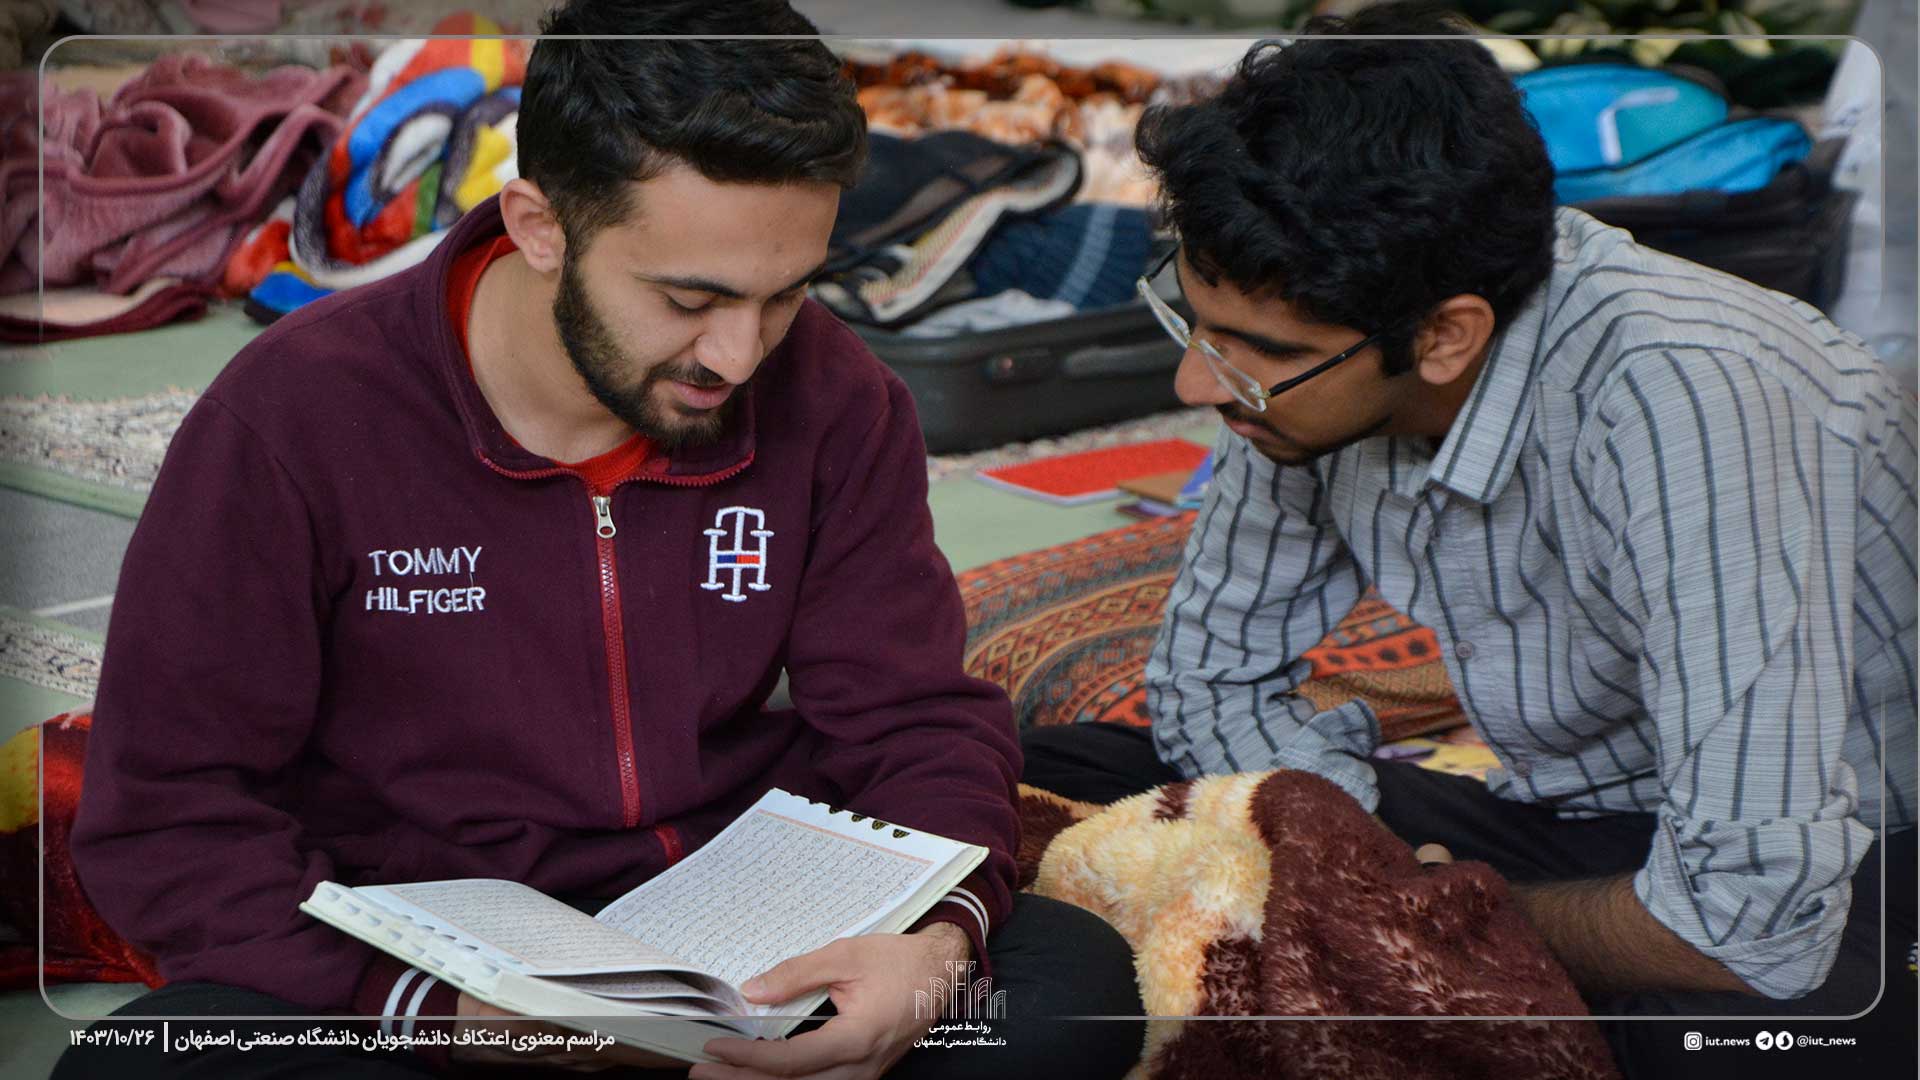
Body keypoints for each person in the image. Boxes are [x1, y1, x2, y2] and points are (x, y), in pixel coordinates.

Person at [56, 3, 1144, 1078]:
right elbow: (170, 813)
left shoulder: (837, 396)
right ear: (540, 226)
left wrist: (933, 947)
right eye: (689, 298)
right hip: (427, 955)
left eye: (785, 295)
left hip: (740, 937)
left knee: (1066, 992)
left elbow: (912, 717)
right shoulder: (291, 418)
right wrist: (442, 1014)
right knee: (142, 1066)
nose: (739, 356)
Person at [1019, 5, 1916, 1077]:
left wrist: (1417, 916)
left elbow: (1751, 915)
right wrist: (1357, 862)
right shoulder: (1307, 363)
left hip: (1849, 861)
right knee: (1066, 770)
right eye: (1193, 323)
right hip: (1587, 814)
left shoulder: (1695, 402)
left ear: (1446, 335)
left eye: (1258, 353)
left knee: (1732, 1046)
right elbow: (1209, 683)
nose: (1193, 385)